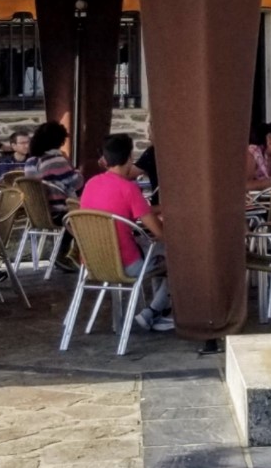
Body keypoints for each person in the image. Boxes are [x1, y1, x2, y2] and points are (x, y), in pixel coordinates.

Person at [78, 133, 174, 332]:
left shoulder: (91, 183)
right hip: (127, 264)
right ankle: (153, 312)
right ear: (130, 158)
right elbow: (159, 232)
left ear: (105, 159)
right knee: (179, 260)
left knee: (157, 254)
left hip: (92, 262)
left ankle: (158, 313)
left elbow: (125, 209)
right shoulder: (129, 189)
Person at [29, 120, 84, 212]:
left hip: (40, 212)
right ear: (60, 141)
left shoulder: (30, 161)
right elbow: (77, 185)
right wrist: (78, 173)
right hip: (61, 210)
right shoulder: (56, 161)